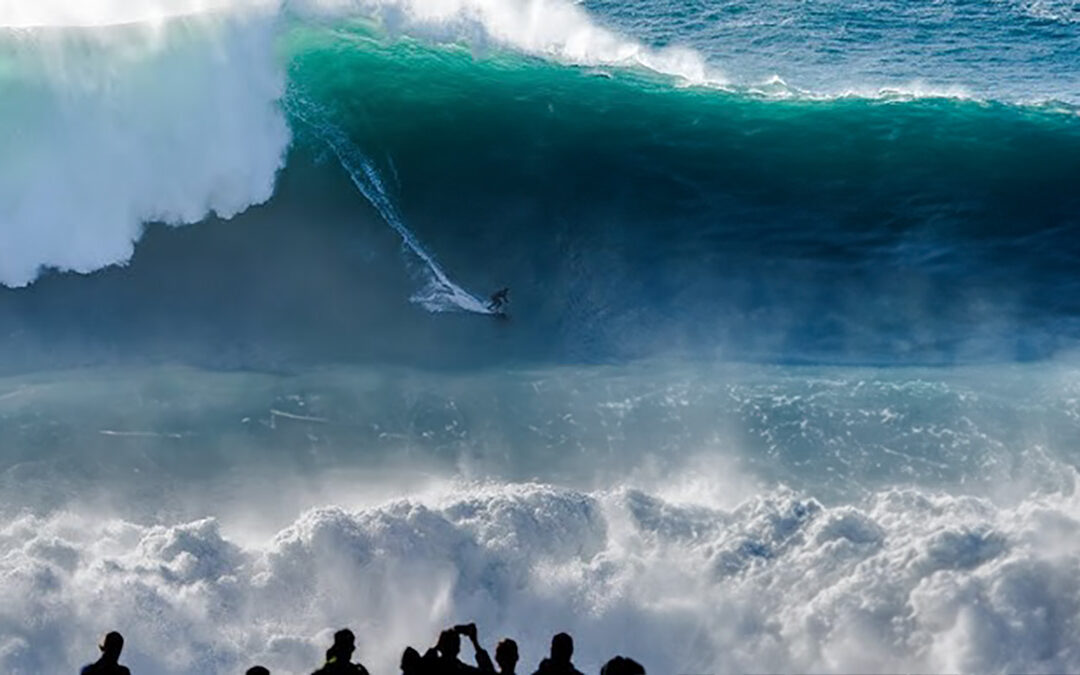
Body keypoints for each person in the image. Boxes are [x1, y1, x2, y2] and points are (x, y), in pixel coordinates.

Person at [424, 623, 490, 674]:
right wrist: (475, 642)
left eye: (454, 642)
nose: (451, 646)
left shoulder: (432, 665)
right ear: (458, 649)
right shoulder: (463, 669)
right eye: (449, 643)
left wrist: (475, 642)